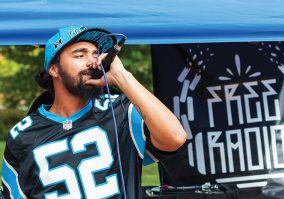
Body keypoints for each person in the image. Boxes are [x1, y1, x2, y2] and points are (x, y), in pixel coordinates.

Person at [0, 26, 187, 199]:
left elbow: (175, 137)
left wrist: (122, 76)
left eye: (96, 54)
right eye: (80, 55)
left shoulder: (121, 110)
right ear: (54, 69)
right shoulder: (22, 135)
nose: (92, 62)